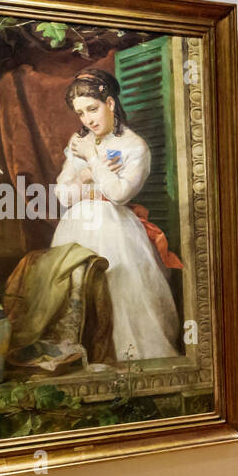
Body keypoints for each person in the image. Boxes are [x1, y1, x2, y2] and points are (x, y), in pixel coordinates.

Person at [52, 68, 181, 361]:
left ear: (110, 103)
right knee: (75, 291)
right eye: (81, 113)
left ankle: (125, 356)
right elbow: (62, 194)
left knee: (120, 289)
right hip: (77, 225)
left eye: (92, 109)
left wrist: (92, 162)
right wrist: (85, 174)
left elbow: (119, 193)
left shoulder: (135, 146)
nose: (87, 119)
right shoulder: (79, 141)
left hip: (115, 228)